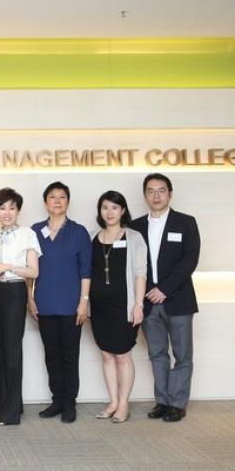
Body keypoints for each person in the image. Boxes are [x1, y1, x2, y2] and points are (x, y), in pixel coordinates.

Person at [131, 173, 200, 422]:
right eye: (151, 191)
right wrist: (150, 290)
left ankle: (178, 403)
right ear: (145, 195)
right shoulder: (135, 226)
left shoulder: (186, 223)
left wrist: (165, 289)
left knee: (182, 355)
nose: (156, 195)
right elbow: (134, 264)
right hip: (149, 301)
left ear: (170, 194)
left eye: (161, 190)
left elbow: (189, 261)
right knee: (157, 353)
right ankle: (162, 400)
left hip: (178, 300)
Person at [28, 181, 91, 423]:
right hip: (44, 303)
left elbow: (86, 270)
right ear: (45, 202)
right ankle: (57, 400)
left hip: (71, 305)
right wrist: (29, 298)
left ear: (68, 201)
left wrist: (84, 302)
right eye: (52, 197)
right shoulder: (34, 231)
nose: (57, 200)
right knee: (51, 354)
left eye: (62, 196)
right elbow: (29, 268)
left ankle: (69, 402)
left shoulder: (78, 231)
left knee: (69, 354)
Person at [90, 191, 147, 423]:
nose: (110, 212)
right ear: (100, 211)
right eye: (105, 207)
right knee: (106, 354)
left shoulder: (133, 237)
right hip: (99, 307)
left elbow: (140, 274)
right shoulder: (93, 236)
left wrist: (138, 304)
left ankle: (124, 404)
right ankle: (113, 401)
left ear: (123, 210)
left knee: (123, 355)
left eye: (115, 207)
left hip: (124, 306)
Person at [0, 188, 41, 426]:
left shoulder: (27, 234)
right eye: (2, 208)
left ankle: (9, 414)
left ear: (18, 210)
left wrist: (7, 267)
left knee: (11, 352)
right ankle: (9, 404)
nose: (7, 212)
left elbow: (33, 271)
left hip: (14, 293)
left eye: (11, 207)